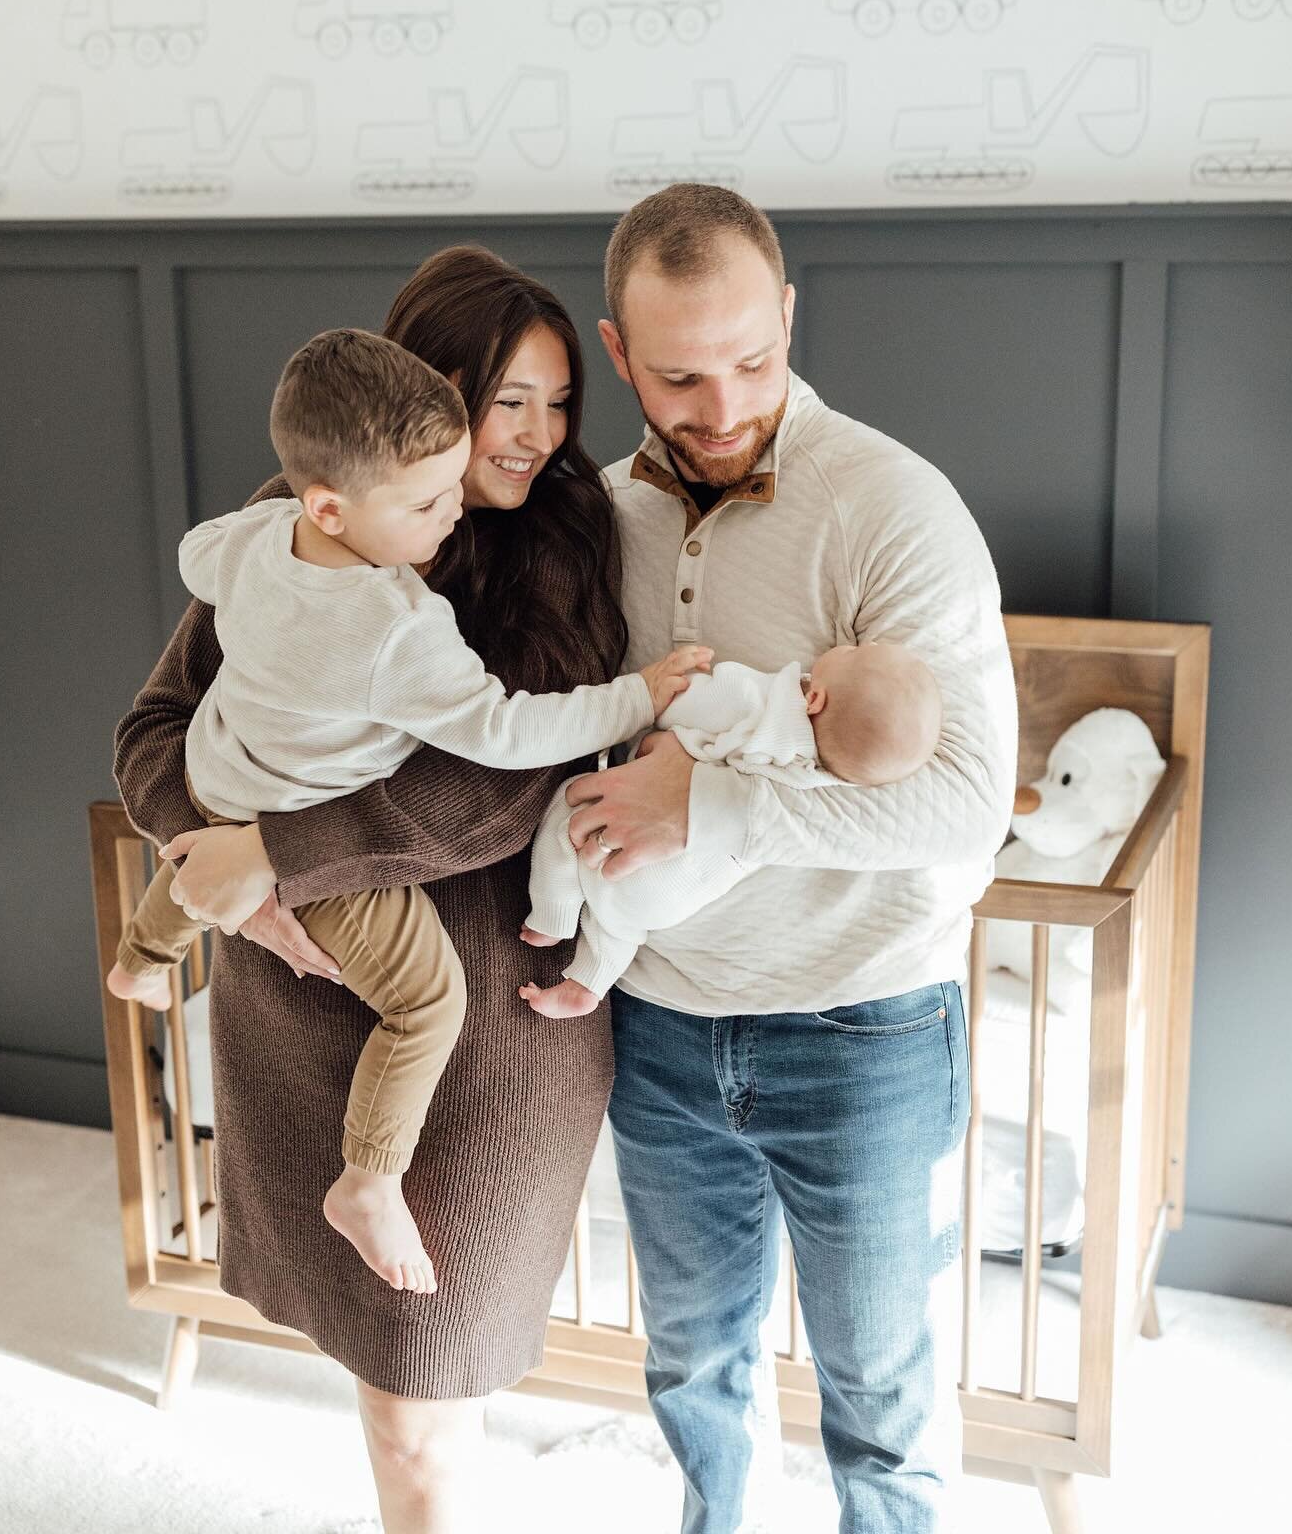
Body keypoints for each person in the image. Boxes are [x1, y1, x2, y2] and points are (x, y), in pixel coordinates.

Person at [112, 248, 632, 1532]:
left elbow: (503, 788)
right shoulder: (304, 520)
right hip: (291, 1001)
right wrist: (208, 857)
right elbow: (156, 726)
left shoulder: (558, 546)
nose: (535, 435)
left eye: (558, 403)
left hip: (477, 1018)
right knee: (383, 1398)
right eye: (507, 398)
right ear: (428, 385)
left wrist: (279, 855)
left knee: (424, 1391)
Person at [554, 183, 1019, 1532]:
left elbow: (965, 805)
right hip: (660, 1029)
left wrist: (720, 805)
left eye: (753, 361)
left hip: (863, 1032)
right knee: (694, 1371)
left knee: (881, 1401)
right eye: (681, 375)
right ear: (618, 351)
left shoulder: (893, 507)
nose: (720, 405)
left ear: (792, 318)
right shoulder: (589, 519)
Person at [109, 325, 708, 1291]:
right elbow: (509, 735)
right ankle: (368, 1183)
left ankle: (143, 960)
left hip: (229, 784)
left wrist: (259, 852)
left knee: (211, 842)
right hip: (317, 878)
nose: (454, 511)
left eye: (560, 403)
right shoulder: (396, 626)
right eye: (509, 401)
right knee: (426, 999)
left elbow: (197, 555)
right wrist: (643, 694)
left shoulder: (263, 534)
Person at [517, 641, 943, 1018]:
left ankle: (552, 914)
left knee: (570, 810)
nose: (847, 646)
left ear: (814, 698)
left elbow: (687, 701)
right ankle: (588, 984)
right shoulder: (820, 786)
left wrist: (676, 687)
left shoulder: (762, 698)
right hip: (677, 894)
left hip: (624, 841)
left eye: (852, 653)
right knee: (621, 927)